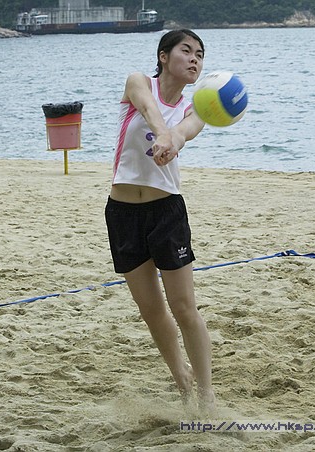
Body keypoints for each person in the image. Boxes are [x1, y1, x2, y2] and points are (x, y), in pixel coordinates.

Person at [104, 29, 216, 411]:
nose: (195, 59)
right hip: (122, 212)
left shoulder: (195, 108)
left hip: (166, 211)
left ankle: (207, 395)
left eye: (200, 54)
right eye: (187, 50)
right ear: (164, 56)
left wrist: (173, 140)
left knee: (184, 307)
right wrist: (162, 134)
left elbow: (185, 132)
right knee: (151, 311)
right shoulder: (138, 82)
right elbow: (149, 109)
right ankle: (182, 380)